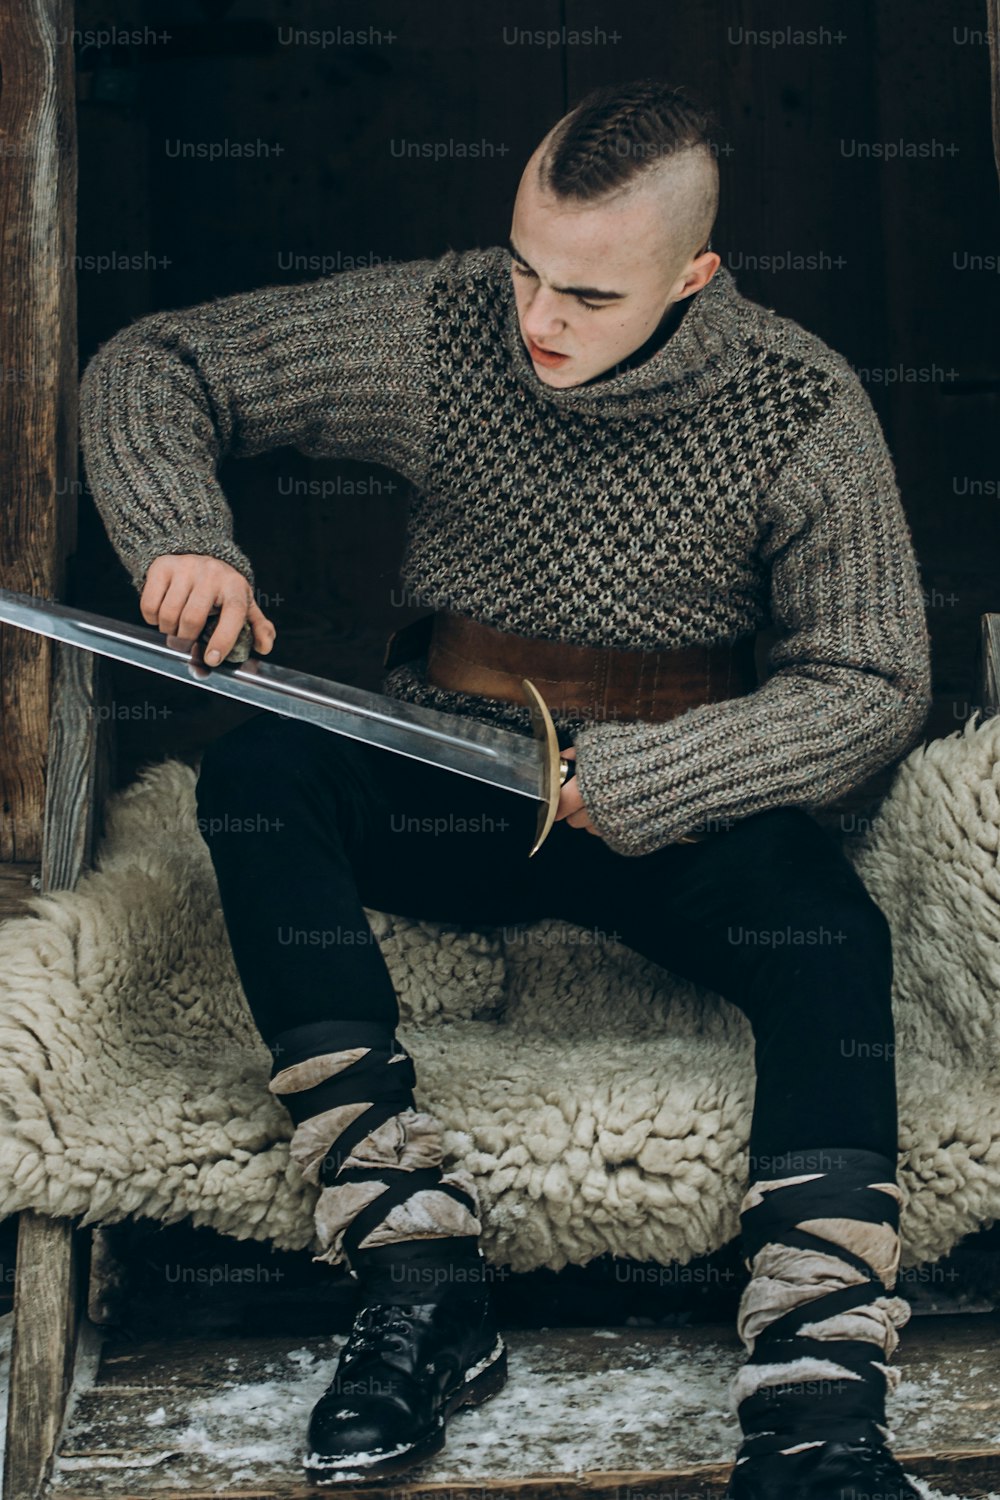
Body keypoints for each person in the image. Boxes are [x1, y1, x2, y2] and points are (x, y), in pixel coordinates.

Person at [78, 78, 932, 1499]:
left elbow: (874, 681)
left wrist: (649, 779)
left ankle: (817, 1400)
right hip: (453, 773)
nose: (538, 319)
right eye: (528, 267)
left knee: (837, 943)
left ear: (695, 278)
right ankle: (417, 1267)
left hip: (679, 805)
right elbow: (157, 364)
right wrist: (188, 536)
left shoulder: (797, 401)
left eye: (590, 296)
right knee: (265, 776)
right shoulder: (445, 323)